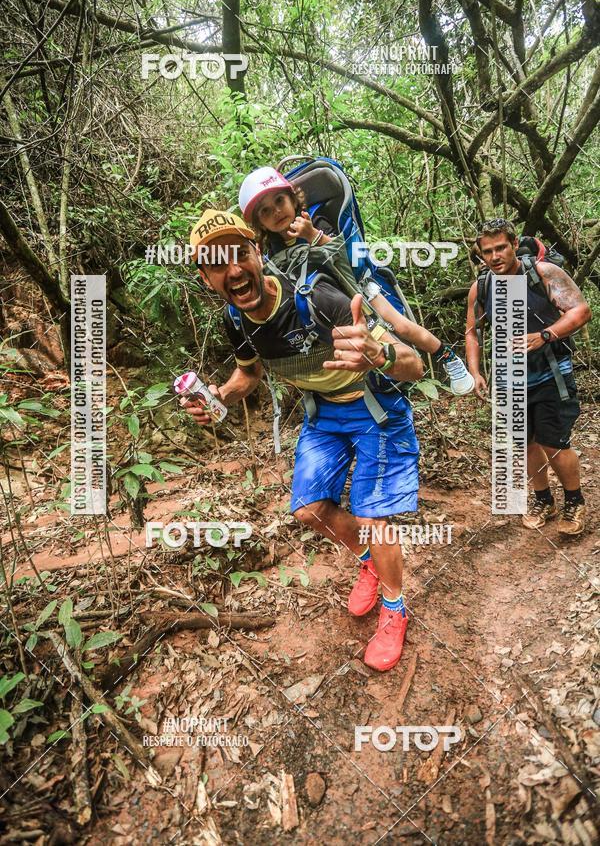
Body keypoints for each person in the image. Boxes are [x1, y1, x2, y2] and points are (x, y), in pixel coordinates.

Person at [185, 208, 425, 671]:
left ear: (256, 252)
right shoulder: (236, 321)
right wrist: (220, 397)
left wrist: (379, 353)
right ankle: (372, 561)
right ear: (206, 278)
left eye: (240, 253)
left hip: (376, 407)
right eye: (218, 263)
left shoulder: (318, 299)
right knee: (309, 510)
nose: (233, 269)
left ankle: (395, 609)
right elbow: (248, 373)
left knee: (375, 516)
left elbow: (413, 364)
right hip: (323, 415)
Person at [238, 166, 474, 396]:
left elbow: (344, 257)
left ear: (293, 199)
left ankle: (447, 357)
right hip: (325, 306)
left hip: (356, 286)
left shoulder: (315, 222)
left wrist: (311, 234)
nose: (276, 212)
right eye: (265, 211)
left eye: (279, 201)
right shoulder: (270, 250)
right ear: (259, 223)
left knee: (400, 326)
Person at [465, 218, 592, 536]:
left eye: (501, 248)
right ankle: (543, 500)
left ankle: (574, 502)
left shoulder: (542, 274)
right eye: (487, 251)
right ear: (481, 254)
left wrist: (545, 335)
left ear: (513, 245)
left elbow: (580, 311)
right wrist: (475, 371)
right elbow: (472, 332)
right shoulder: (482, 287)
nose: (495, 256)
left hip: (551, 371)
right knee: (525, 442)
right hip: (511, 378)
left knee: (554, 441)